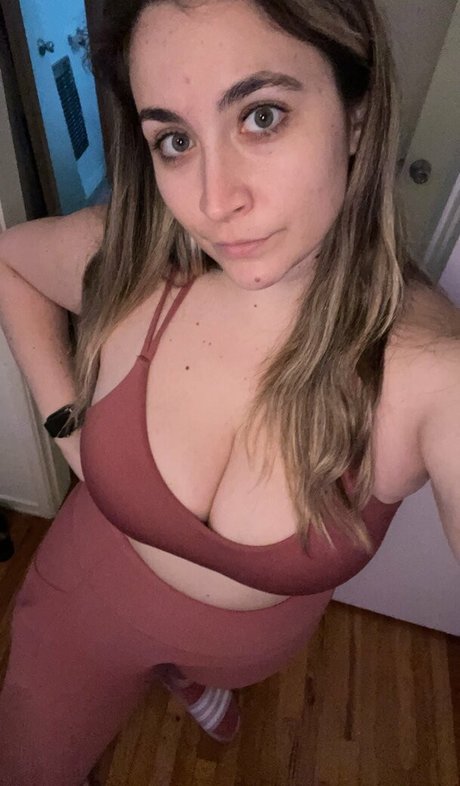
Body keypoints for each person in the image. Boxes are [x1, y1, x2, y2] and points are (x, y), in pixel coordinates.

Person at [0, 0, 459, 783]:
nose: (215, 201)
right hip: (89, 597)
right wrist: (69, 425)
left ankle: (187, 678)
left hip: (245, 646)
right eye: (175, 140)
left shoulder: (428, 371)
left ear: (356, 116)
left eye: (261, 115)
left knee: (196, 666)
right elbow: (12, 263)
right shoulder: (136, 267)